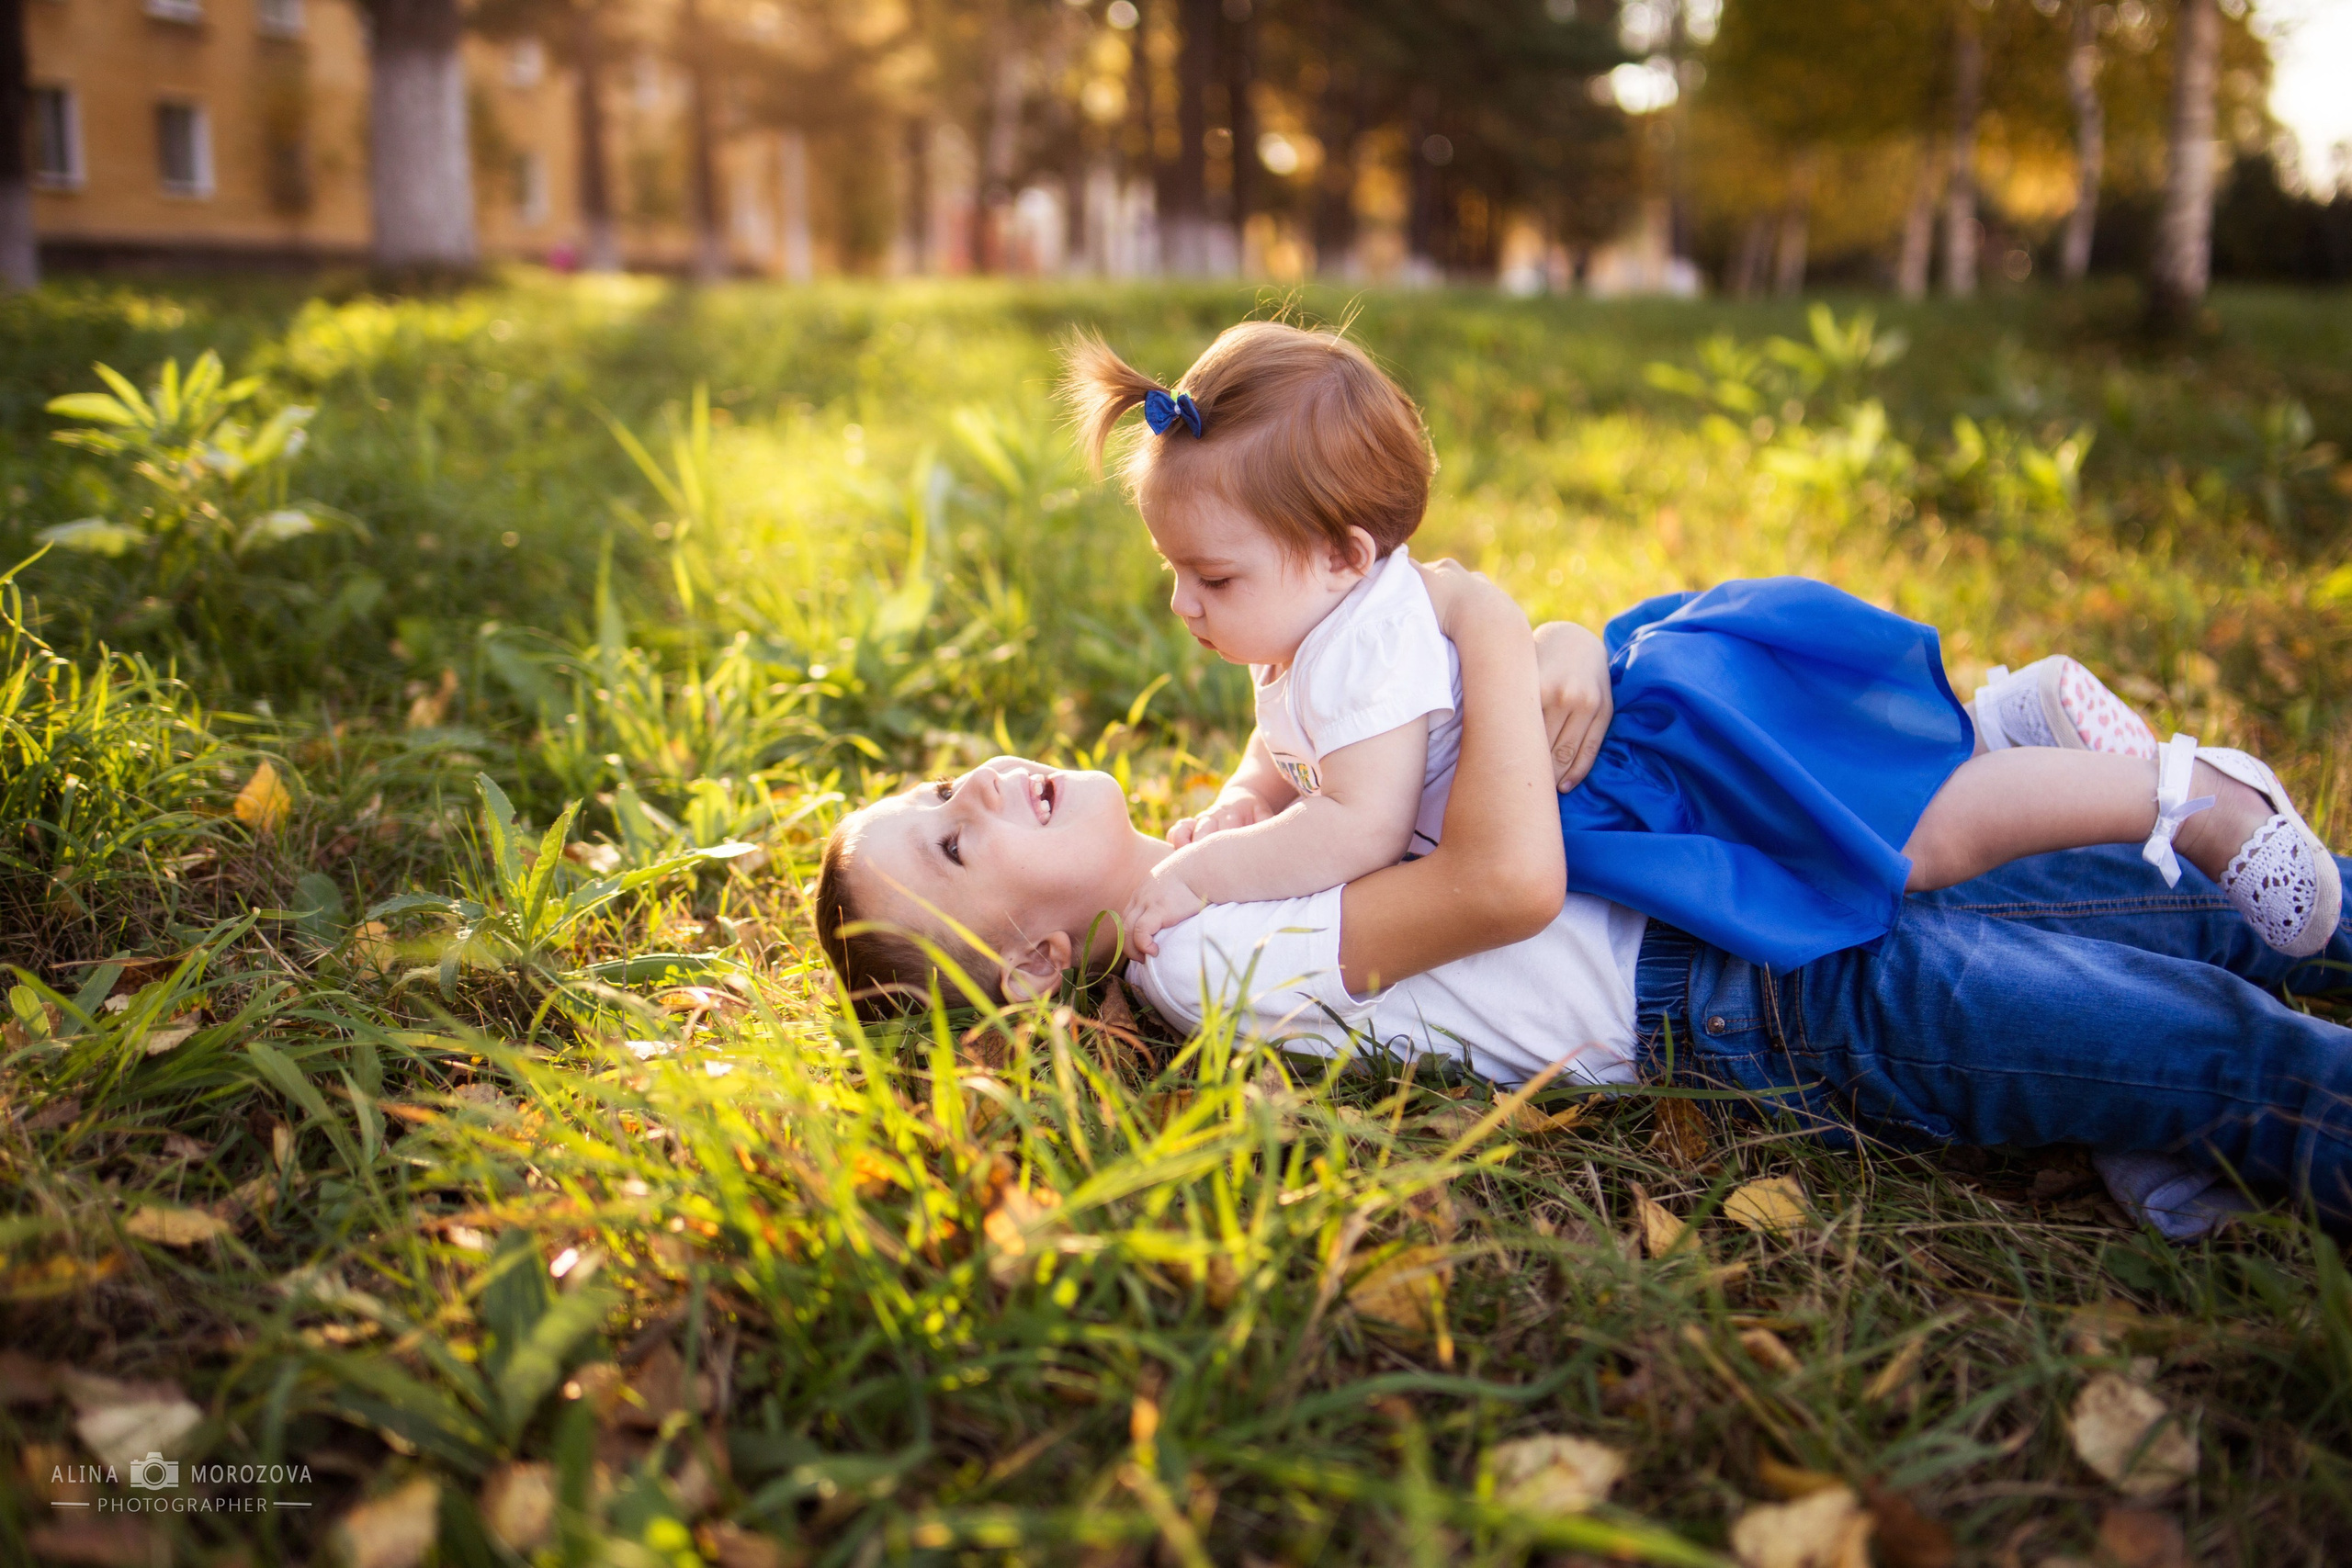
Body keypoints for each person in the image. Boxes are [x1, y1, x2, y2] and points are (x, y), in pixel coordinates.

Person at [814, 565, 2352, 1231]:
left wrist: (1558, 649)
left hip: (1736, 866)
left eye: (941, 786)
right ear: (1035, 964)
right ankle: (2168, 1087)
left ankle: (2182, 838)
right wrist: (1496, 622)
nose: (977, 789)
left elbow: (1325, 759)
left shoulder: (1208, 852)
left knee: (2203, 914)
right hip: (1753, 994)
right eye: (951, 846)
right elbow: (1501, 881)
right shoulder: (1193, 967)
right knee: (2213, 1050)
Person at [1060, 321, 2338, 968]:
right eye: (1176, 571)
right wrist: (1242, 804)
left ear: (1346, 554)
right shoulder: (1308, 630)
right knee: (1904, 820)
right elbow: (1292, 765)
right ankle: (2017, 725)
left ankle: (2189, 793)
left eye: (1209, 577)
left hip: (1662, 778)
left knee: (1920, 845)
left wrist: (1207, 877)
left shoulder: (1364, 644)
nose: (1183, 606)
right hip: (1635, 767)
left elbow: (1355, 828)